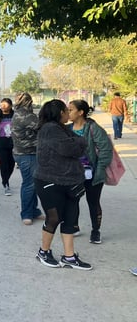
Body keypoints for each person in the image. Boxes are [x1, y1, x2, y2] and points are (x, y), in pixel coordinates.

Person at [34, 99, 92, 270]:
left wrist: (78, 142)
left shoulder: (62, 128)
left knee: (70, 218)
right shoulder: (50, 129)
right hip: (50, 182)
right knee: (54, 218)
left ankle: (69, 257)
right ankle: (43, 252)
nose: (69, 113)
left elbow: (77, 144)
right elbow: (72, 148)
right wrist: (80, 142)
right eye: (67, 110)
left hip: (69, 182)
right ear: (60, 112)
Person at [68, 99, 113, 244]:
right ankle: (74, 226)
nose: (68, 112)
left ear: (81, 112)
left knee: (93, 202)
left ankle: (95, 231)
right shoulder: (67, 129)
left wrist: (99, 170)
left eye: (71, 109)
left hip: (92, 173)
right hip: (74, 174)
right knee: (72, 200)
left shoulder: (94, 128)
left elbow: (106, 150)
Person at [11, 93, 44, 225]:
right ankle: (26, 213)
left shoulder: (18, 112)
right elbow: (41, 127)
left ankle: (33, 210)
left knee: (33, 183)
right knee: (29, 184)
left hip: (24, 153)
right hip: (27, 154)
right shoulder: (26, 115)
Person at [0, 98, 15, 195]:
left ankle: (5, 179)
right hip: (1, 144)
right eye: (2, 104)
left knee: (12, 164)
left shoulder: (14, 115)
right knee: (4, 165)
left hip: (13, 144)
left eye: (6, 104)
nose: (3, 106)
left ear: (10, 106)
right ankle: (6, 184)